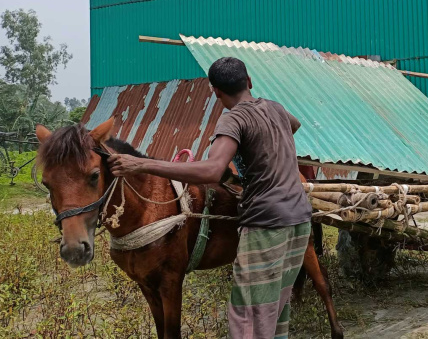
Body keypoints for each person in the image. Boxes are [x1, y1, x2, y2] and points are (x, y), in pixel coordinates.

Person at [108, 57, 312, 338]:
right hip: (300, 220)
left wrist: (140, 164)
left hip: (267, 225)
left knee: (249, 316)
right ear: (249, 82)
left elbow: (213, 170)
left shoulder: (233, 119)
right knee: (274, 306)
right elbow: (295, 124)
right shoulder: (275, 108)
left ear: (215, 92)